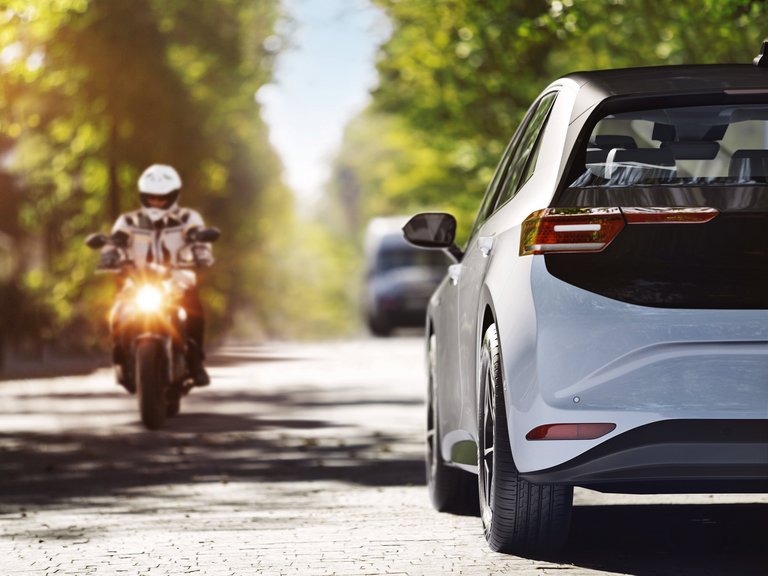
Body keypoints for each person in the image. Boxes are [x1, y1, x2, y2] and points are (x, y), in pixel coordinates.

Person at [105, 164, 213, 386]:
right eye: (151, 197)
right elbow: (114, 240)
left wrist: (201, 251)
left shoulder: (188, 218)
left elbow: (199, 237)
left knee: (194, 308)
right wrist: (110, 254)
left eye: (162, 198)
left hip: (176, 280)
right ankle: (120, 355)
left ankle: (194, 359)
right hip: (138, 280)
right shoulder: (128, 221)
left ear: (173, 195)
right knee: (117, 310)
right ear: (143, 196)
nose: (156, 202)